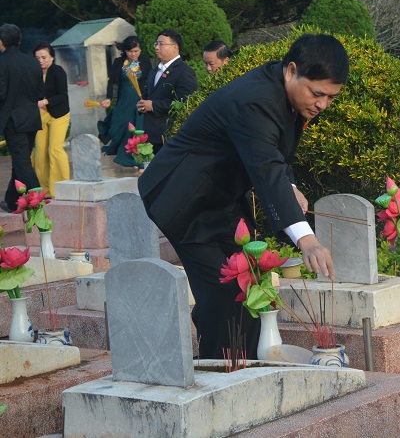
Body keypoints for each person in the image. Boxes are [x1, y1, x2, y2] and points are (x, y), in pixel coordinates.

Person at [139, 33, 348, 359]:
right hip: (185, 198)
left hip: (222, 197)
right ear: (291, 70)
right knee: (224, 292)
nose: (322, 104)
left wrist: (290, 190)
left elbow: (270, 154)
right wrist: (307, 239)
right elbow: (266, 168)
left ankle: (245, 363)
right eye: (317, 93)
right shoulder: (257, 99)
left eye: (331, 97)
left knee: (251, 283)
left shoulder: (282, 90)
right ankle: (219, 376)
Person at [0, 24, 44, 212]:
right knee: (21, 160)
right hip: (31, 117)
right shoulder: (33, 61)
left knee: (22, 162)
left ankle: (39, 202)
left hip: (13, 119)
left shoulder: (2, 62)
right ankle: (11, 201)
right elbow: (40, 93)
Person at [137, 29, 196, 154]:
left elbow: (185, 102)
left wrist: (153, 105)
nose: (157, 47)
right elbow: (149, 96)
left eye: (161, 44)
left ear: (175, 47)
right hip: (152, 135)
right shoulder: (154, 71)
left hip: (170, 134)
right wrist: (143, 105)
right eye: (156, 44)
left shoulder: (184, 72)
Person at [98, 36, 153, 168]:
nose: (134, 54)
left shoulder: (145, 61)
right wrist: (109, 98)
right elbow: (113, 82)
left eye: (136, 51)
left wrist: (149, 99)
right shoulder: (119, 62)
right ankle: (117, 147)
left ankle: (135, 157)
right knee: (119, 125)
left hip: (139, 99)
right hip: (124, 99)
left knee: (136, 127)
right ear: (125, 51)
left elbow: (150, 80)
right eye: (131, 51)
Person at [31, 42, 70, 197]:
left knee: (54, 149)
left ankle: (62, 188)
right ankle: (44, 190)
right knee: (40, 153)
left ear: (52, 57)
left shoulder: (58, 72)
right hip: (40, 115)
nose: (40, 60)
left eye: (44, 57)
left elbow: (62, 95)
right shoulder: (33, 73)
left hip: (59, 114)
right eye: (37, 57)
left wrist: (45, 101)